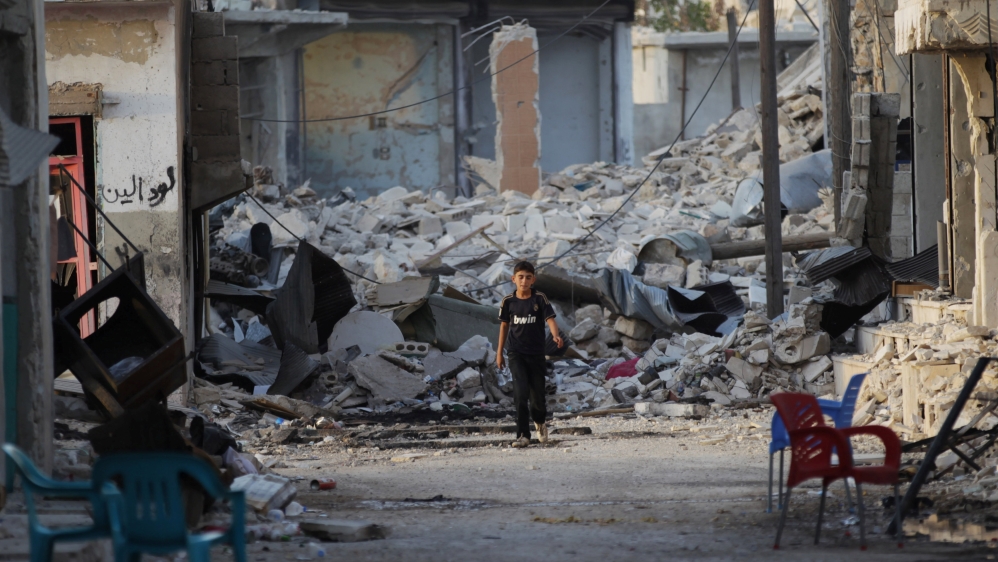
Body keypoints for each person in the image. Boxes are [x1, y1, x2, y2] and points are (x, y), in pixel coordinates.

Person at [496, 261, 563, 448]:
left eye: (527, 277)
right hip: (516, 353)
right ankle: (523, 435)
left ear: (533, 279)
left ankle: (540, 422)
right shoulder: (508, 302)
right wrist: (499, 353)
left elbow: (550, 319)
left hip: (536, 354)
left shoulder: (539, 299)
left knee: (538, 399)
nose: (524, 281)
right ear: (513, 279)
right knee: (520, 394)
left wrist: (555, 335)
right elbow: (504, 327)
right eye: (520, 277)